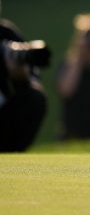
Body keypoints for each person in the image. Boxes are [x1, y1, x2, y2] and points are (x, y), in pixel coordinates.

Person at [0, 17, 50, 152]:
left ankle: (10, 160)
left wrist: (20, 77)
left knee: (35, 98)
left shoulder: (6, 33)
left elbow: (35, 85)